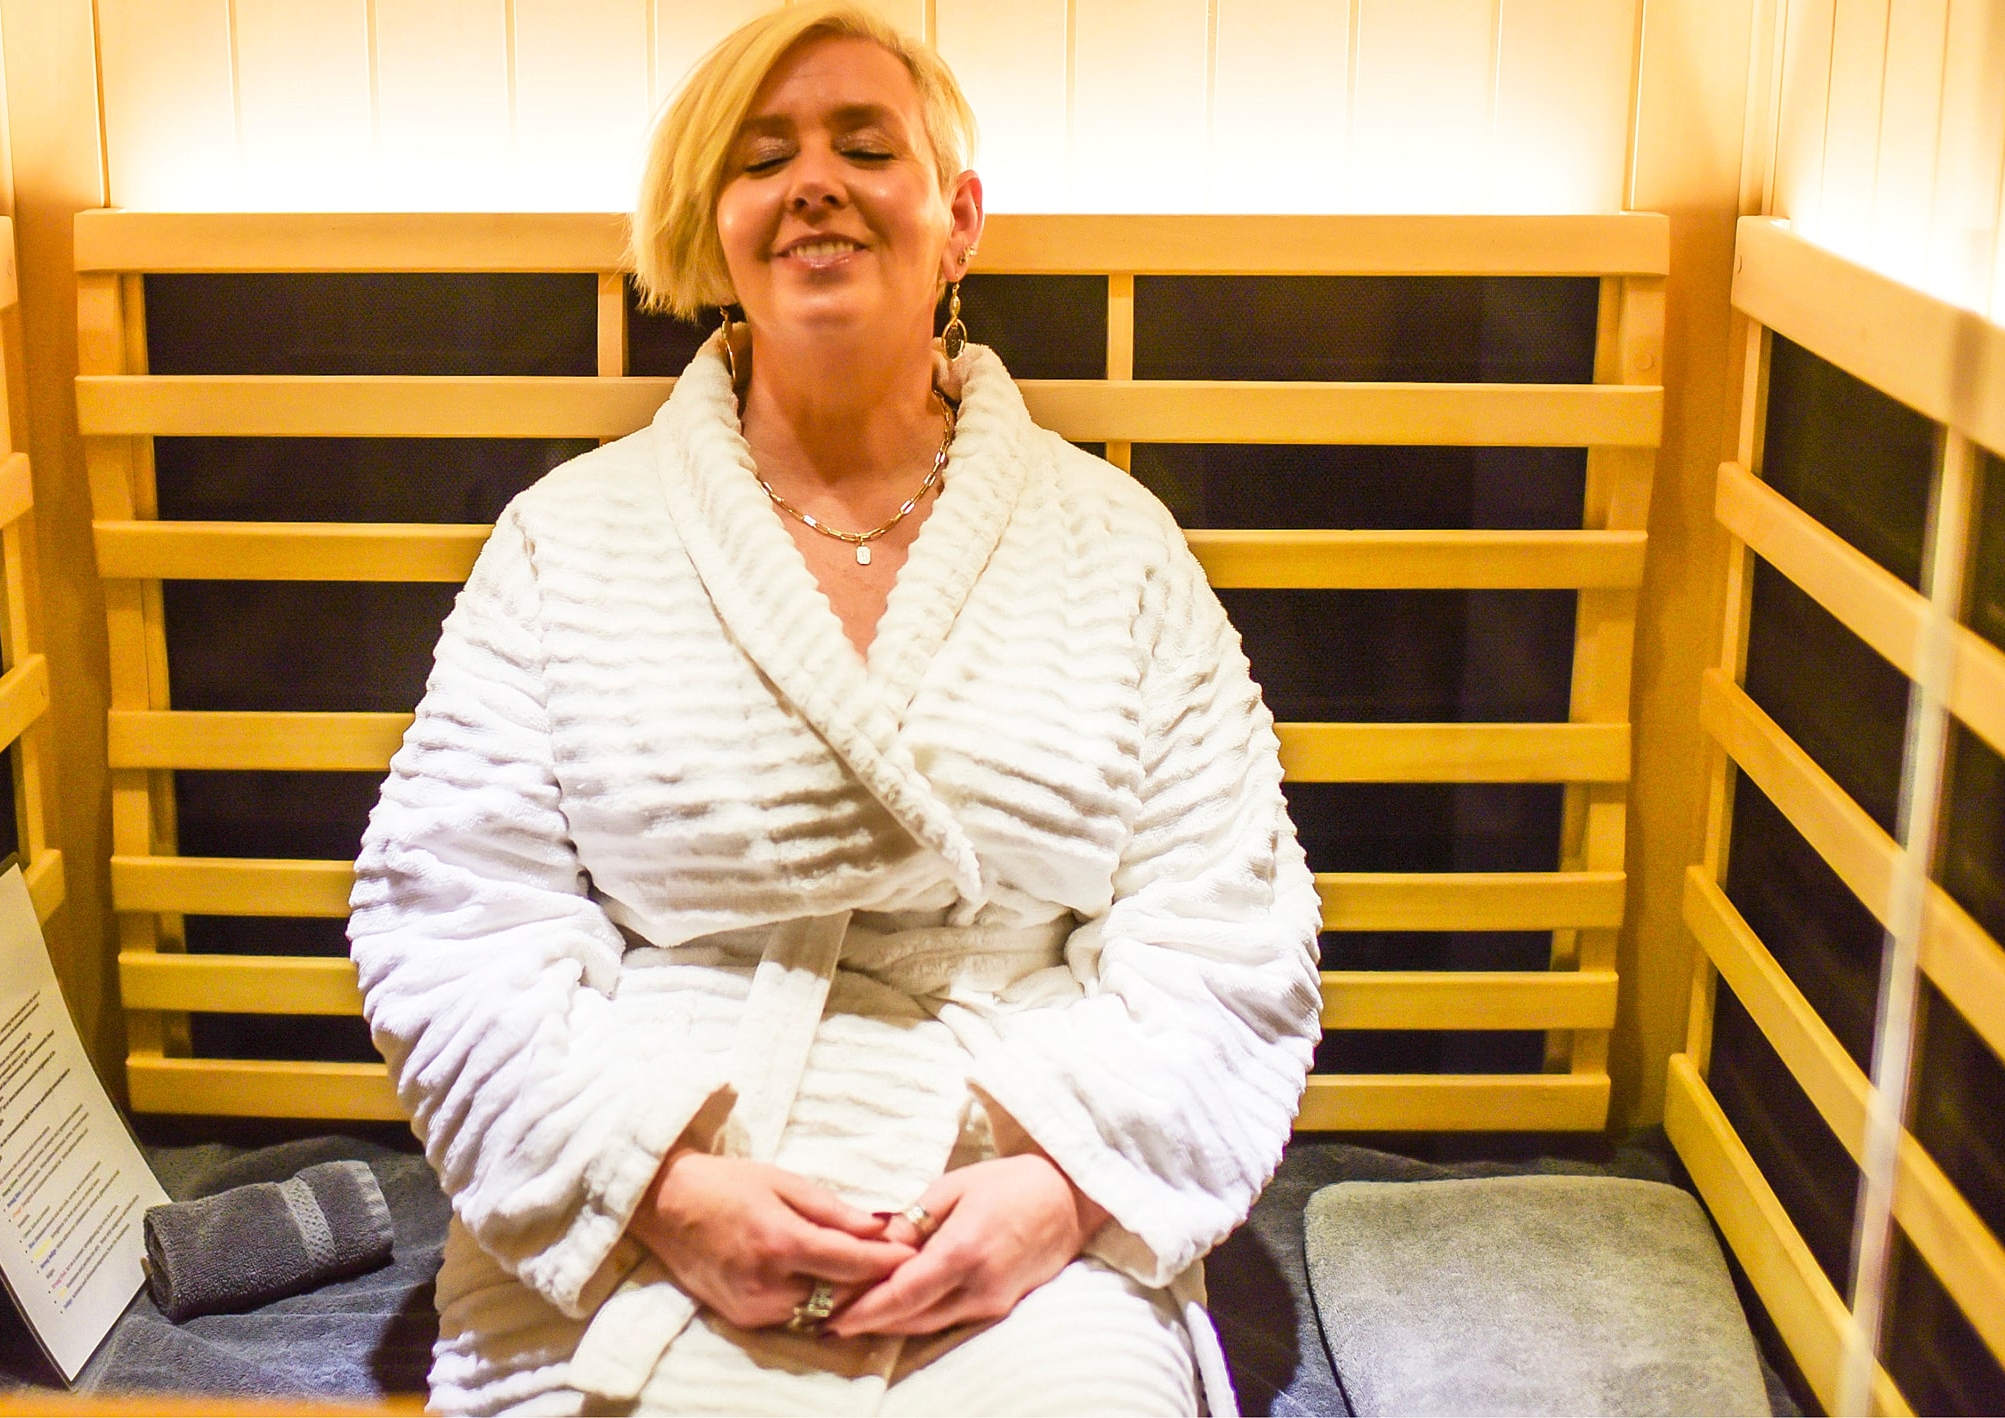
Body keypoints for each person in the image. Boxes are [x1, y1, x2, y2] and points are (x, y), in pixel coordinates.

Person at [347, 4, 1321, 1411]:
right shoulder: (571, 538)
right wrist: (658, 1188)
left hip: (1005, 1184)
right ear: (718, 224)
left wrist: (1056, 1191)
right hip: (646, 1193)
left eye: (867, 146)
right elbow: (452, 915)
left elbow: (1225, 930)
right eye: (762, 157)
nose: (813, 181)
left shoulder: (1116, 548)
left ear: (958, 220)